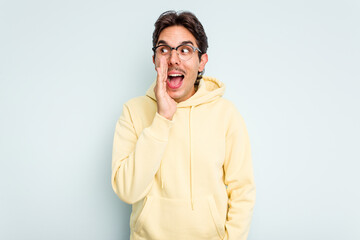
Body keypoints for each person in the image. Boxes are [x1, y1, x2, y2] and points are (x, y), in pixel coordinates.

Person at [111, 10, 255, 240]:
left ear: (202, 61)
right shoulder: (133, 112)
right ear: (155, 60)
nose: (173, 59)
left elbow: (242, 192)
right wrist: (162, 119)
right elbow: (128, 190)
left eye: (185, 50)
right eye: (164, 49)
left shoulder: (226, 114)